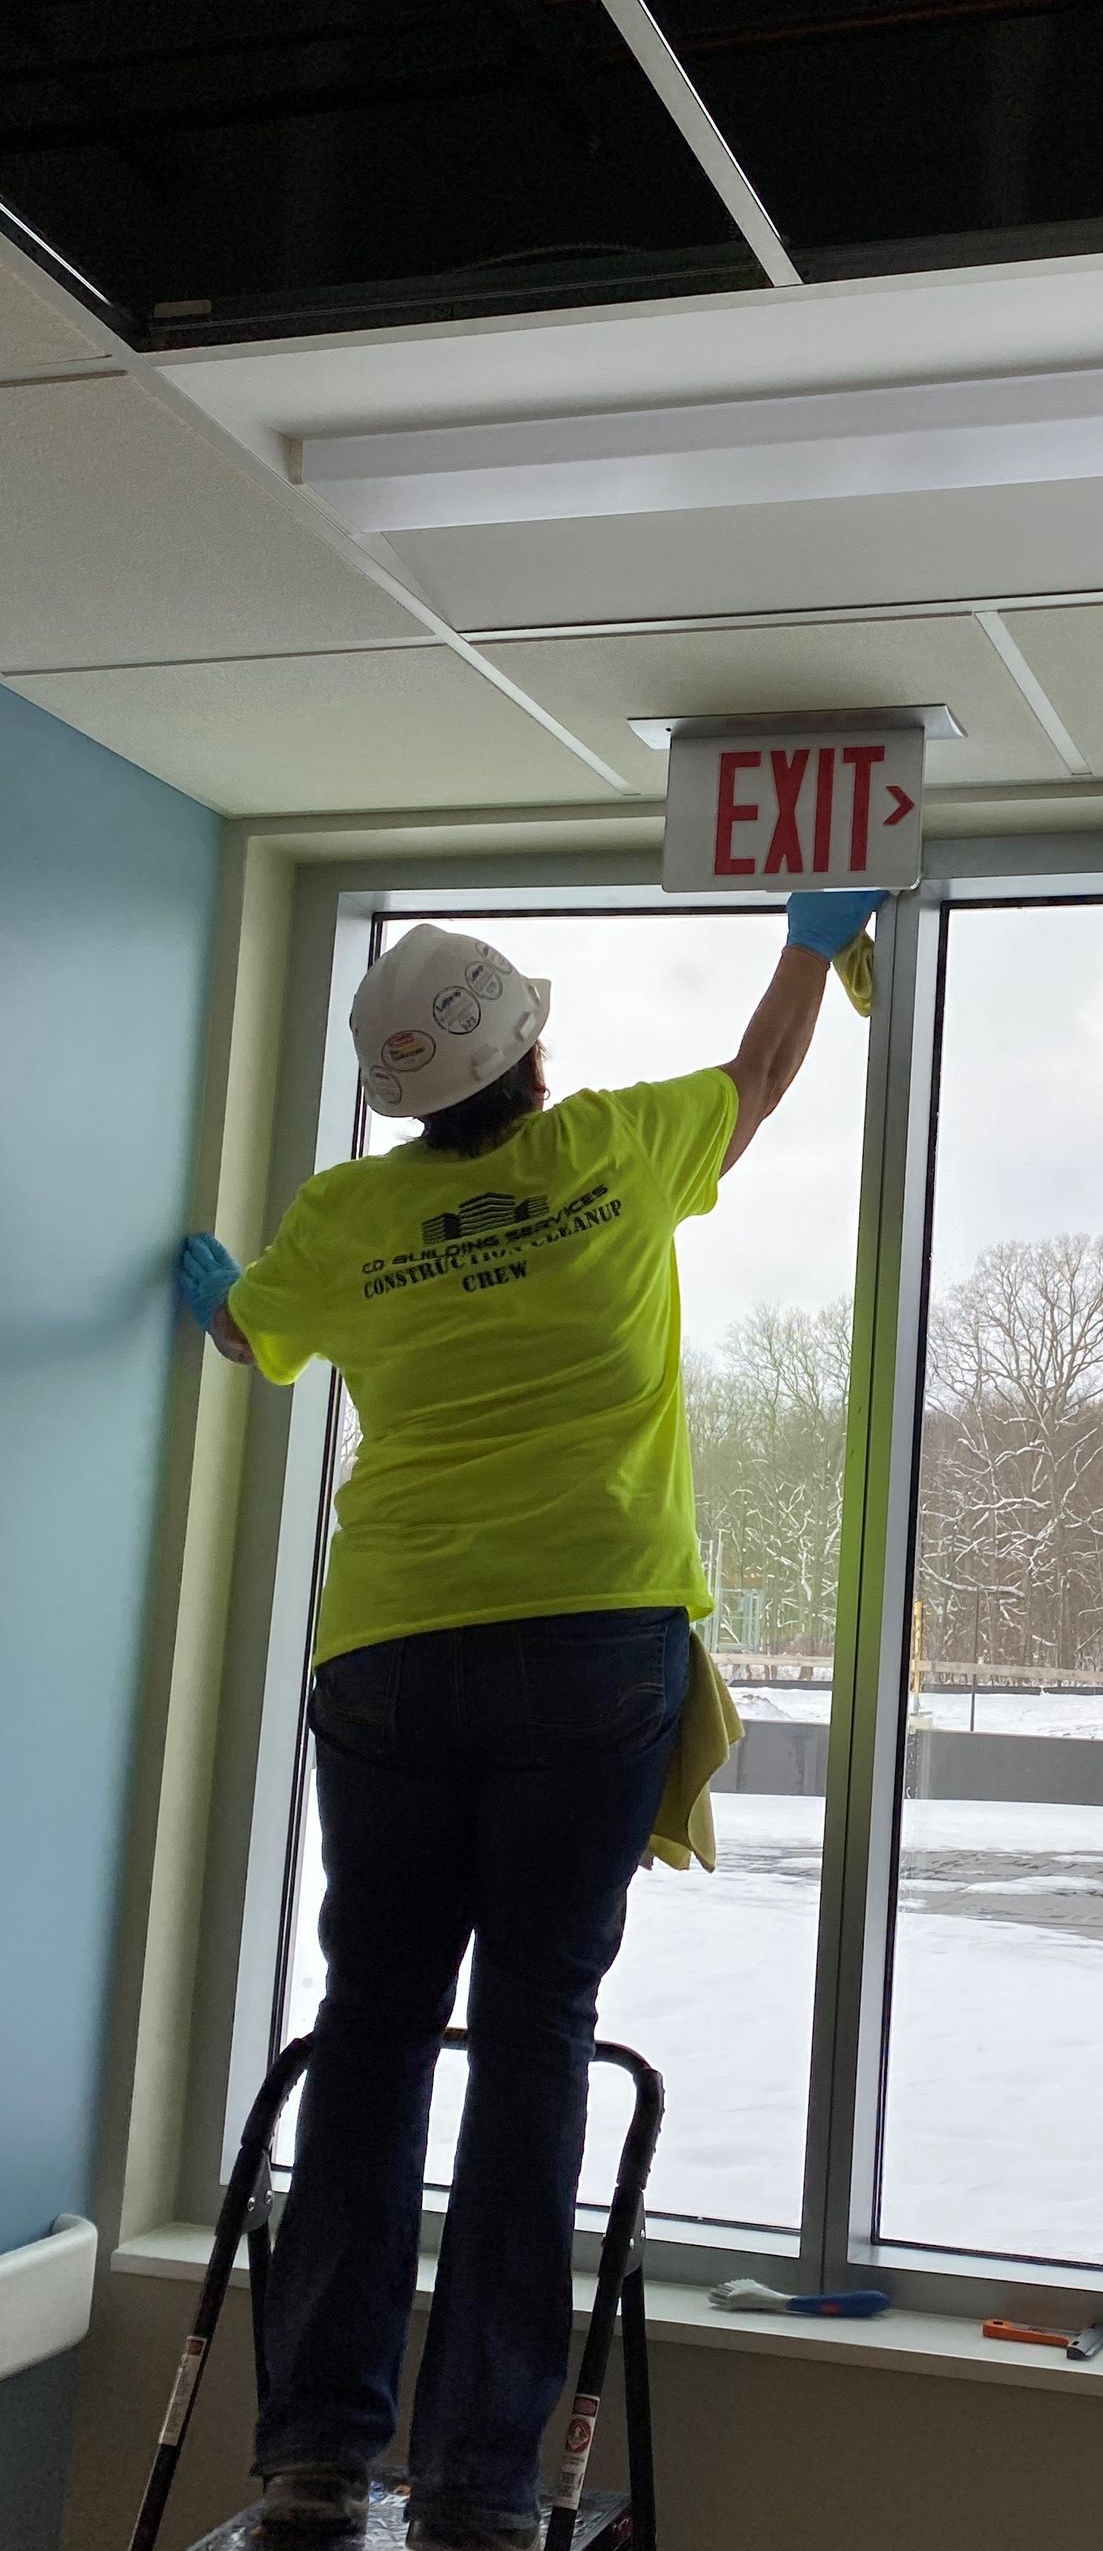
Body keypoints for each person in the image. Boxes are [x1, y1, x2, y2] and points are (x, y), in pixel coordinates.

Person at [174, 890, 884, 2551]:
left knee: (374, 2026)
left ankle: (313, 2459)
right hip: (589, 1649)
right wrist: (807, 943)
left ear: (403, 1090)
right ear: (534, 1051)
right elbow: (762, 1080)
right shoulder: (616, 1156)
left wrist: (219, 1296)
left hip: (396, 1653)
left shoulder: (346, 1216)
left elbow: (242, 1334)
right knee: (534, 2037)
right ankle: (483, 2484)